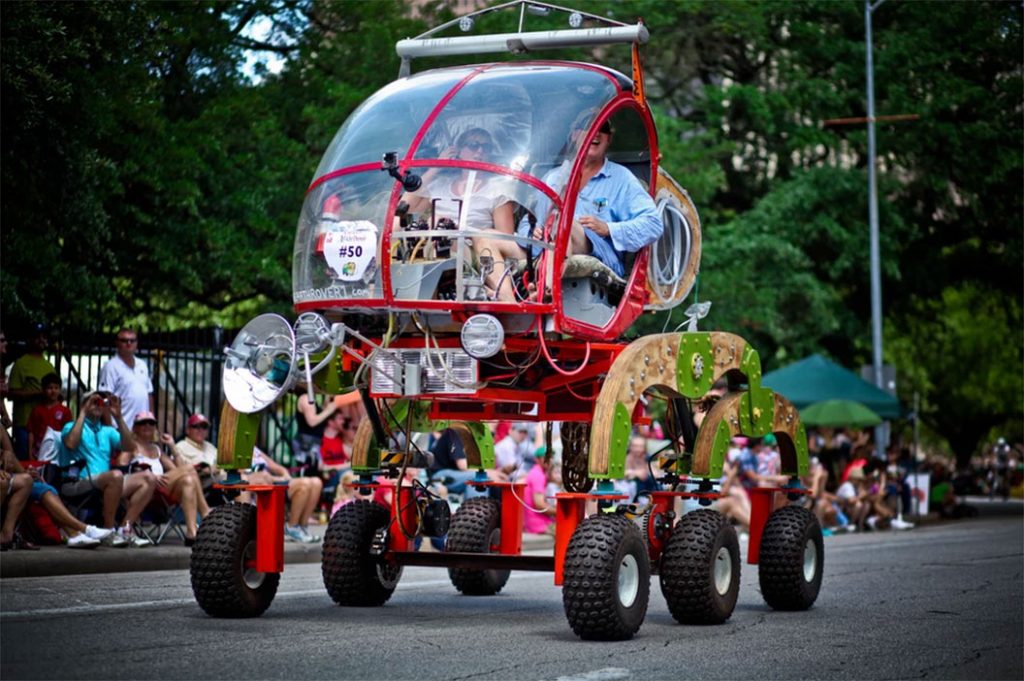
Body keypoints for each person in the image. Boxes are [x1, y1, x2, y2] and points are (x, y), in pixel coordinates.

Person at [524, 118, 662, 278]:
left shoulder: (621, 178)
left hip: (601, 255)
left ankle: (547, 296)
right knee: (490, 241)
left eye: (602, 127)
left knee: (562, 222)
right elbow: (528, 221)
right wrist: (533, 231)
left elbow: (653, 224)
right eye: (587, 125)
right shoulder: (554, 178)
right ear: (574, 135)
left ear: (609, 138)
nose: (595, 132)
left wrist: (608, 229)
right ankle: (505, 297)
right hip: (547, 248)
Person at [404, 127, 523, 301]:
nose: (480, 151)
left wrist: (465, 232)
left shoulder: (498, 189)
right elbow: (405, 207)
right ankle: (381, 288)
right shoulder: (441, 184)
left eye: (486, 147)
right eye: (474, 145)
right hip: (435, 242)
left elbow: (504, 238)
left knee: (440, 224)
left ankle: (497, 294)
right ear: (457, 151)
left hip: (473, 249)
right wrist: (436, 167)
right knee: (404, 224)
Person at [60, 391, 154, 547]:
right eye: (94, 402)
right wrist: (83, 412)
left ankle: (125, 528)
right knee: (116, 476)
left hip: (108, 483)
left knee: (149, 478)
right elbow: (70, 443)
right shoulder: (70, 426)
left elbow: (130, 447)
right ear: (84, 404)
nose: (98, 405)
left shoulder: (107, 431)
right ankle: (109, 530)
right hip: (78, 482)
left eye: (101, 403)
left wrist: (118, 417)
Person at [1, 428, 113, 548]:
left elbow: (10, 457)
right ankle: (84, 529)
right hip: (5, 478)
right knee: (10, 482)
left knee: (42, 487)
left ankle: (74, 535)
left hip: (10, 475)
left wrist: (26, 472)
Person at [120, 411, 209, 545]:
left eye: (151, 423)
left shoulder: (157, 449)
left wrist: (172, 446)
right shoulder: (132, 446)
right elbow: (121, 466)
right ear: (135, 427)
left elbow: (176, 470)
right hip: (145, 487)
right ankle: (205, 512)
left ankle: (191, 532)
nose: (147, 426)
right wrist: (141, 473)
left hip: (162, 489)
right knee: (190, 468)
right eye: (143, 423)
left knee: (188, 480)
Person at [244, 447, 323, 544]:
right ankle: (292, 527)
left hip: (274, 481)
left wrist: (285, 475)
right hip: (263, 486)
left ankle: (302, 527)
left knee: (317, 482)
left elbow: (276, 466)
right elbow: (247, 475)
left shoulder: (254, 449)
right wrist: (277, 479)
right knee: (304, 486)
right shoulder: (235, 453)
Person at [7, 323, 58, 457]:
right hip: (24, 424)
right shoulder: (20, 364)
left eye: (44, 337)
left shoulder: (49, 366)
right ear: (29, 339)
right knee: (25, 463)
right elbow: (11, 394)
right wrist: (39, 393)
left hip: (45, 426)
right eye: (38, 336)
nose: (42, 340)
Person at [97, 327, 153, 428]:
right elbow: (104, 398)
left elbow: (148, 394)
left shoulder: (142, 365)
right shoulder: (111, 366)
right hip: (120, 429)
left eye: (132, 340)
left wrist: (152, 421)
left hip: (142, 429)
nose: (129, 343)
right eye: (124, 340)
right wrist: (110, 429)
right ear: (117, 343)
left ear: (137, 343)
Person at [26, 373, 73, 459]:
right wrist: (30, 453)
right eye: (50, 388)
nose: (53, 391)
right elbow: (31, 432)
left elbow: (69, 434)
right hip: (38, 452)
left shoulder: (65, 411)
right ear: (43, 390)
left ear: (60, 389)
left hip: (58, 452)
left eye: (56, 388)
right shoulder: (37, 410)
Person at [292, 392, 337, 474]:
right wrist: (329, 410)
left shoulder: (311, 398)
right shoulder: (306, 398)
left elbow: (318, 417)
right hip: (306, 444)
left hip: (313, 443)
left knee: (314, 471)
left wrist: (326, 404)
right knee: (308, 474)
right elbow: (312, 421)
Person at [174, 413, 221, 489]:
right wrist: (206, 470)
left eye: (204, 427)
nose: (201, 430)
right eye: (196, 426)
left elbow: (224, 463)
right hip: (198, 484)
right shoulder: (180, 447)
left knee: (244, 478)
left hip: (218, 481)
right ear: (188, 430)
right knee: (241, 480)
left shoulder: (210, 446)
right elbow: (180, 471)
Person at [522, 447, 555, 536]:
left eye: (551, 457)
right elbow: (540, 505)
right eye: (546, 457)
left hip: (538, 522)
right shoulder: (538, 475)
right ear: (537, 459)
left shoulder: (538, 473)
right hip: (539, 524)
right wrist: (558, 511)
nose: (550, 460)